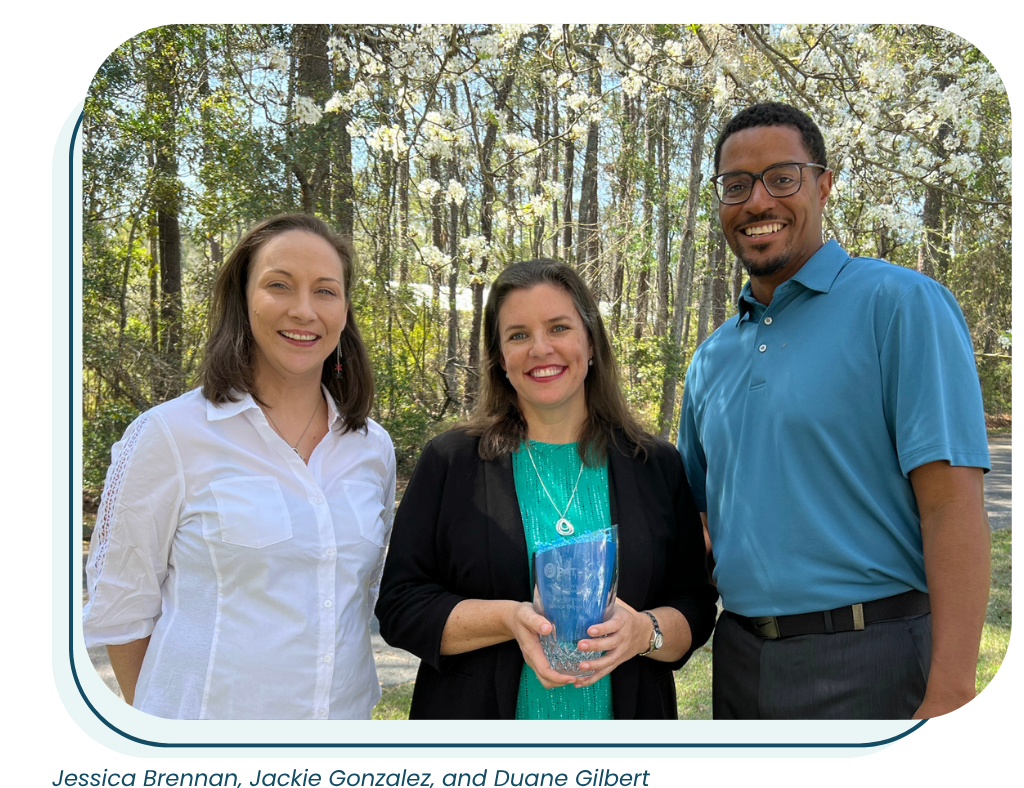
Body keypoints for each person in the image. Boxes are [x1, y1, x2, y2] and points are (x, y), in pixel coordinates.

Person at [677, 102, 991, 720]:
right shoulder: (710, 358)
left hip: (873, 657)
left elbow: (951, 506)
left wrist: (952, 692)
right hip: (740, 663)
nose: (757, 201)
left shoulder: (900, 305)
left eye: (782, 178)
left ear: (823, 186)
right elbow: (701, 520)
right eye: (735, 186)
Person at [83, 213, 396, 719]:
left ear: (344, 311)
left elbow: (360, 596)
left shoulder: (372, 448)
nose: (303, 310)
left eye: (325, 291)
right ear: (242, 299)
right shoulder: (170, 435)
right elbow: (122, 612)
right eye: (279, 285)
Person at [376, 259, 717, 720]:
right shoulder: (451, 462)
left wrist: (643, 631)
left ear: (590, 342)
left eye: (558, 328)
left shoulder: (655, 465)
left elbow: (694, 605)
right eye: (518, 335)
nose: (541, 349)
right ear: (500, 358)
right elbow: (401, 607)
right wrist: (507, 620)